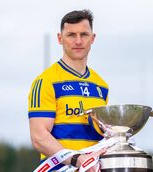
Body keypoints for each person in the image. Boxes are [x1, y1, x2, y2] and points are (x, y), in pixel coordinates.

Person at [28, 9, 108, 171]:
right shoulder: (45, 81)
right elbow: (39, 138)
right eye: (71, 35)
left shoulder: (101, 86)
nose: (78, 41)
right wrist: (77, 160)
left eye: (84, 34)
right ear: (60, 38)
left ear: (92, 38)